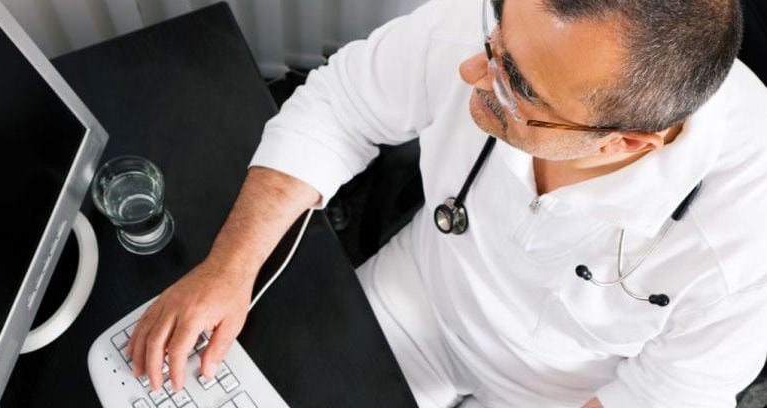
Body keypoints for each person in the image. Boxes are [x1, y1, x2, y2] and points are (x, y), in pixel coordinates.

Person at [125, 0, 767, 406]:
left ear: (622, 143)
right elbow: (340, 104)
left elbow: (664, 396)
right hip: (424, 295)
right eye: (497, 32)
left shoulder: (745, 241)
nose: (472, 71)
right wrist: (229, 269)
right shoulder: (513, 26)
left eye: (514, 86)